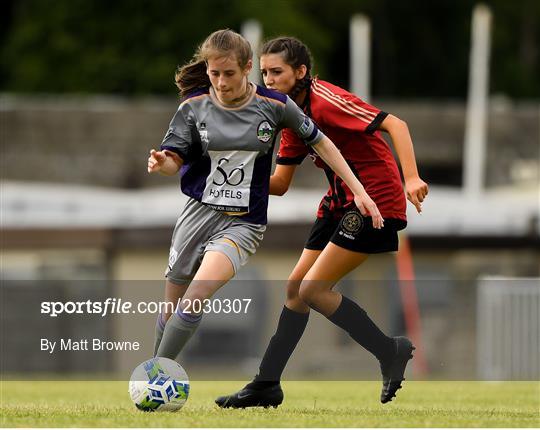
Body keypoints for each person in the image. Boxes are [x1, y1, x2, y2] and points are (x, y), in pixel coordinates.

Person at [149, 30, 386, 367]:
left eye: (228, 73)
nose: (221, 82)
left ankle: (157, 376)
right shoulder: (192, 108)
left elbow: (322, 143)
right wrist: (162, 164)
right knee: (171, 307)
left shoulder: (274, 105)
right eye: (214, 74)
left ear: (247, 68)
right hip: (197, 215)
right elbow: (173, 160)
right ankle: (152, 372)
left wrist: (359, 191)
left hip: (243, 223)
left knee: (196, 296)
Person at [215, 36, 428, 408]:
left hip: (373, 200)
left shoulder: (326, 100)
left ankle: (388, 350)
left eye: (277, 72)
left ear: (301, 72)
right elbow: (280, 184)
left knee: (313, 290)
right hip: (337, 203)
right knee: (296, 288)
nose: (268, 80)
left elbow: (396, 124)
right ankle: (267, 384)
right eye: (264, 73)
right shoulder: (289, 116)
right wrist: (228, 177)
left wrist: (410, 177)